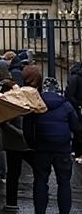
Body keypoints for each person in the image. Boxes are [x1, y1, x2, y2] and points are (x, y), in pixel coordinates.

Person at [23, 68, 81, 214]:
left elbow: (28, 128)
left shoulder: (38, 105)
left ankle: (40, 211)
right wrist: (75, 148)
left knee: (41, 181)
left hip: (42, 147)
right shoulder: (66, 105)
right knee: (64, 183)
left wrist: (33, 145)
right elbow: (77, 128)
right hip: (62, 148)